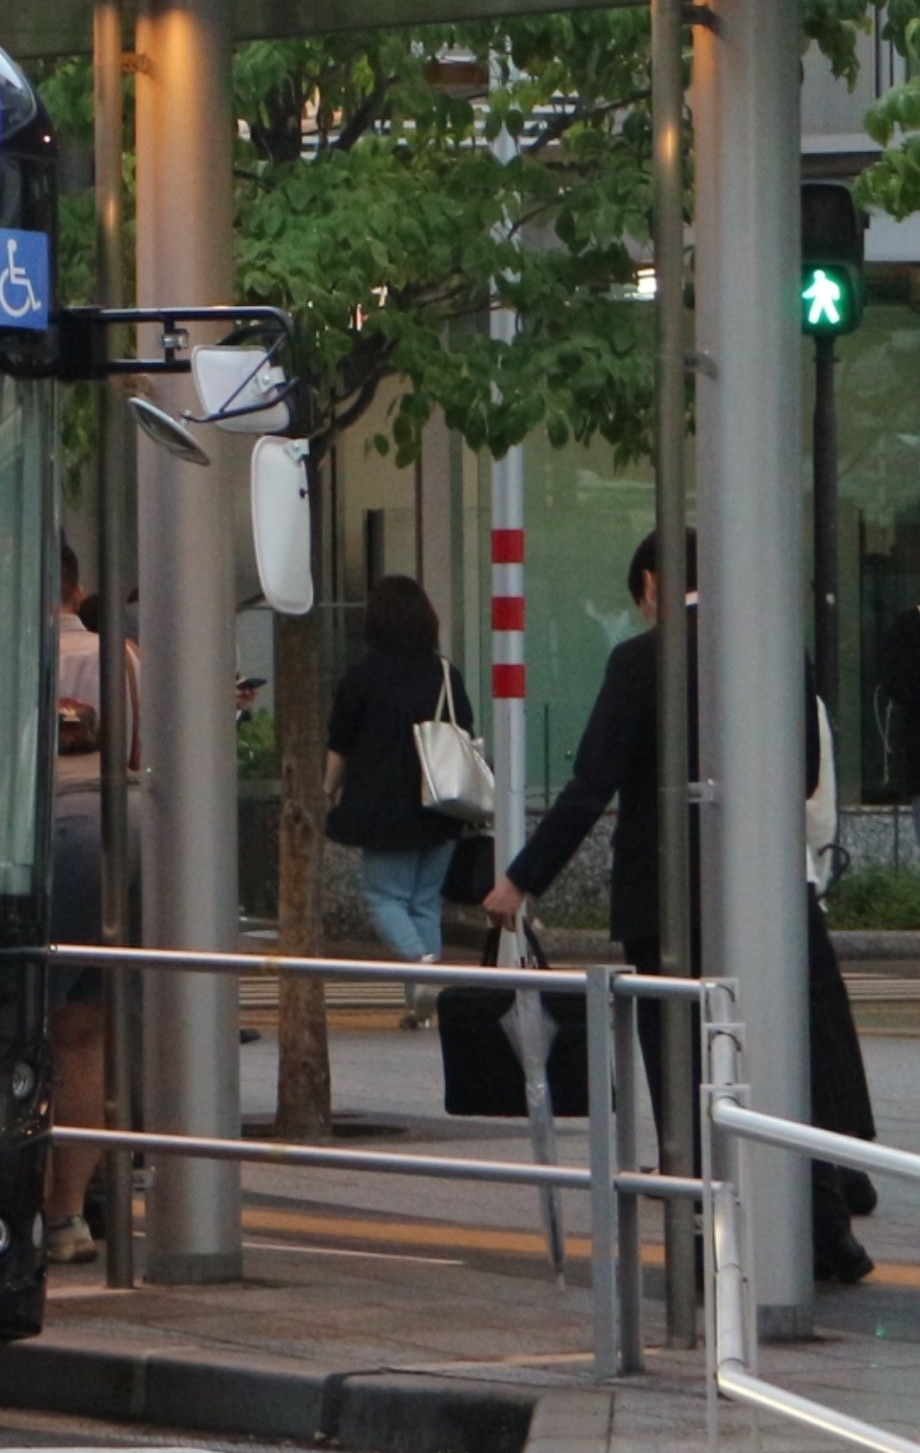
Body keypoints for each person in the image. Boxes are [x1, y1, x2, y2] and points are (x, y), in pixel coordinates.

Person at [487, 534, 875, 1287]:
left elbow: (590, 785)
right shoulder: (776, 651)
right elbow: (799, 775)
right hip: (766, 896)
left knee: (684, 1075)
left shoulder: (639, 663)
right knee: (785, 1058)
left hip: (666, 905)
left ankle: (704, 1239)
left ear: (654, 584)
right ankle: (824, 1232)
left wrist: (521, 880)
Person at [324, 574, 478, 1023]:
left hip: (383, 808)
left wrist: (326, 792)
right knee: (424, 902)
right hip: (442, 803)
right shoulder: (446, 673)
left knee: (383, 898)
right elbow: (464, 731)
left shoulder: (363, 676)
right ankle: (423, 1008)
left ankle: (422, 968)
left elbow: (341, 743)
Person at [44, 544, 131, 1267]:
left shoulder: (4, 649)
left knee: (22, 1027)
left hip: (39, 845)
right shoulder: (120, 657)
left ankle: (22, 1201)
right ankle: (69, 1213)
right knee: (87, 1037)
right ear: (78, 584)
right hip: (118, 844)